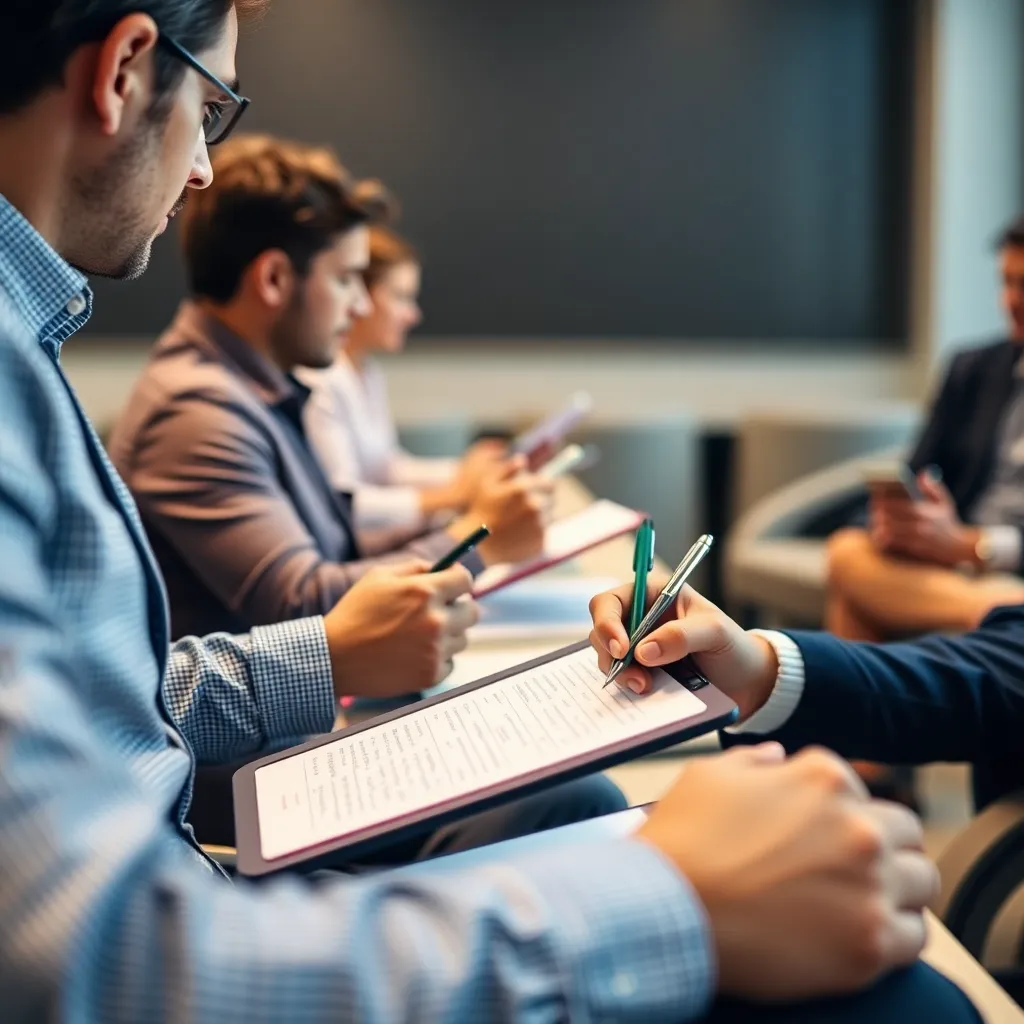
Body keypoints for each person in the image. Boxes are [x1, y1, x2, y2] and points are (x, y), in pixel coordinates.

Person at [0, 1, 980, 1019]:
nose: (200, 167)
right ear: (123, 70)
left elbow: (110, 691)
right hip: (201, 903)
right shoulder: (125, 391)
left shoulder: (37, 349)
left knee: (578, 803)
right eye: (210, 107)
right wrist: (668, 903)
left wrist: (322, 656)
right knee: (900, 999)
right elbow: (101, 965)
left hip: (194, 877)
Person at [108, 136, 553, 641]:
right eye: (346, 279)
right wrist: (480, 539)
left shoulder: (254, 386)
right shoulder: (196, 413)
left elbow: (335, 548)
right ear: (274, 279)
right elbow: (306, 607)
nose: (361, 307)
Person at [826, 214, 1024, 643]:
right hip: (954, 567)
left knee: (854, 591)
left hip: (998, 561)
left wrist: (973, 545)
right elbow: (919, 471)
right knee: (850, 550)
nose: (1013, 301)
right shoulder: (975, 369)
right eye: (1007, 283)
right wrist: (901, 524)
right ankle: (1001, 612)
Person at [299, 226, 509, 554]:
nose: (413, 315)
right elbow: (345, 504)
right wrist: (455, 492)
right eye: (400, 297)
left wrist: (467, 471)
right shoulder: (319, 380)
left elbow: (387, 467)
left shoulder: (367, 372)